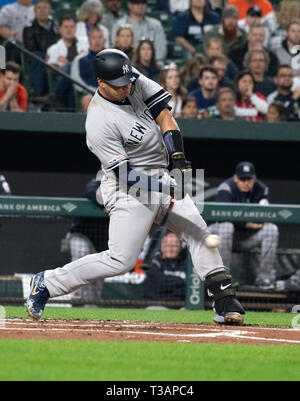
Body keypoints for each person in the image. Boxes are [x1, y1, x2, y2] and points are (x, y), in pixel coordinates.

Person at [26, 48, 245, 326]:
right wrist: (164, 190)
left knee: (197, 230)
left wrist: (178, 158)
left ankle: (224, 301)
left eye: (128, 80)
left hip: (159, 173)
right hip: (126, 186)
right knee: (121, 260)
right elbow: (125, 174)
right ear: (101, 83)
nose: (127, 87)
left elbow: (165, 117)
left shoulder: (133, 80)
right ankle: (47, 282)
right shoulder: (98, 121)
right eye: (119, 85)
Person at [209, 161, 279, 290]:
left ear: (254, 178)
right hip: (221, 236)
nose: (246, 182)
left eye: (249, 179)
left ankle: (264, 278)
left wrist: (246, 223)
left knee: (272, 229)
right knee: (227, 226)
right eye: (243, 179)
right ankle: (224, 279)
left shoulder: (261, 188)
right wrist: (249, 223)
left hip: (245, 238)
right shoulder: (226, 187)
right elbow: (222, 217)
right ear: (236, 178)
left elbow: (265, 217)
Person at [62, 178, 106, 305]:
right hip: (81, 234)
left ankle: (92, 303)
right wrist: (112, 201)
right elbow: (92, 193)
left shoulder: (127, 189)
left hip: (102, 241)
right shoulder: (99, 181)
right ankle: (76, 299)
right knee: (81, 254)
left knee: (99, 273)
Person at [23, 0, 60, 96]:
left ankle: (56, 95)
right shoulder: (29, 28)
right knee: (38, 57)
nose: (42, 11)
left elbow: (60, 43)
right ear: (35, 11)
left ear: (50, 11)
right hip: (37, 59)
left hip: (55, 57)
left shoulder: (56, 26)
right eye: (39, 8)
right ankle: (39, 94)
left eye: (45, 8)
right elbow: (30, 48)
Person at [71, 27, 106, 113]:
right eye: (94, 38)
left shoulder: (112, 58)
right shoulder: (79, 59)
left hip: (109, 94)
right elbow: (76, 81)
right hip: (88, 93)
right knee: (88, 101)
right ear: (89, 40)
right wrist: (94, 91)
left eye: (99, 37)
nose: (97, 41)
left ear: (104, 40)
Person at [143, 232, 187, 301]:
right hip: (157, 303)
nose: (170, 249)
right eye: (167, 245)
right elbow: (160, 283)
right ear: (162, 247)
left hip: (181, 305)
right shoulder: (154, 262)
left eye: (174, 246)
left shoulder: (186, 263)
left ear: (180, 248)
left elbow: (190, 288)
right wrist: (182, 281)